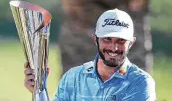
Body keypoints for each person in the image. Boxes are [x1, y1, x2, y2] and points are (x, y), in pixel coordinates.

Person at [24, 8, 156, 101]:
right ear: (95, 39)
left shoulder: (140, 82)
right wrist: (39, 91)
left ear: (131, 43)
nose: (113, 47)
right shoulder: (73, 77)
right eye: (107, 39)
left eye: (121, 40)